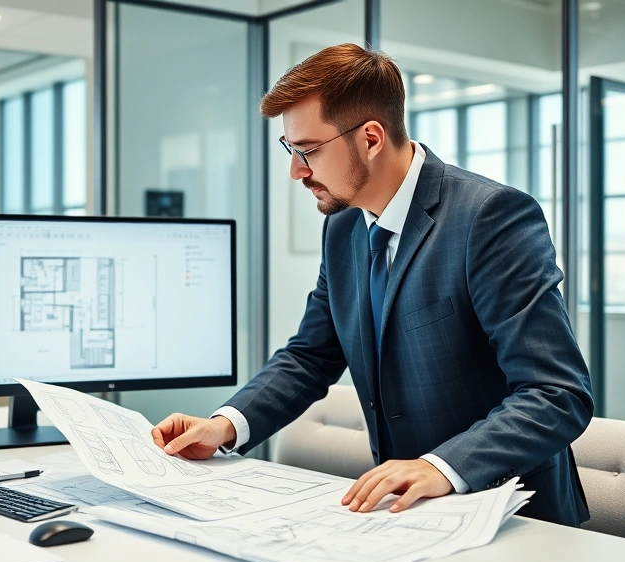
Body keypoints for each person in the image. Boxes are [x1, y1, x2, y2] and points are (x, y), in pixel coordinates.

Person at [151, 44, 592, 527]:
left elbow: (556, 392)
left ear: (371, 138)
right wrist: (224, 426)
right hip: (405, 517)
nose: (297, 170)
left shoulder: (489, 216)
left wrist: (439, 467)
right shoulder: (344, 226)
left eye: (308, 150)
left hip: (513, 515)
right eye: (290, 150)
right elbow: (309, 356)